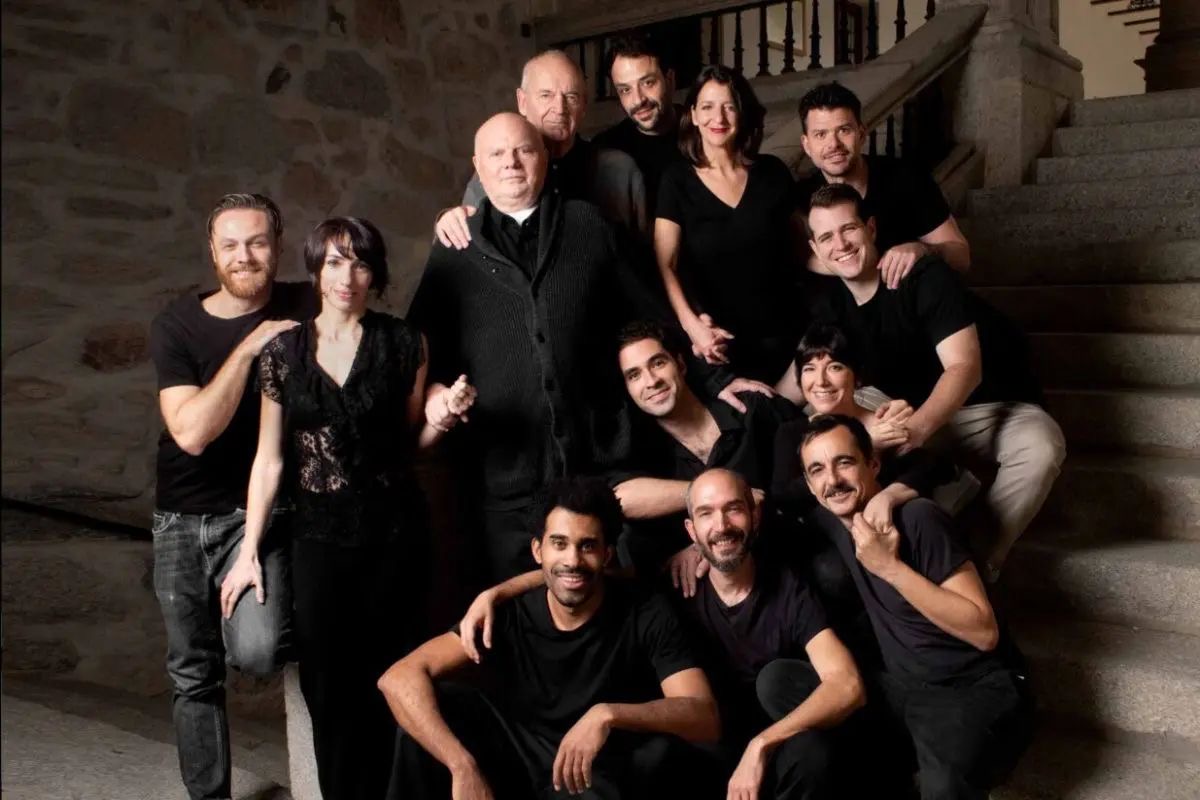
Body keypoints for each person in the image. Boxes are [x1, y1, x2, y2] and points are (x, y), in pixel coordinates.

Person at [410, 112, 767, 583]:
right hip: (505, 480)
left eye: (524, 150)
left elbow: (651, 315)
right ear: (477, 165)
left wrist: (714, 379)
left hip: (598, 464)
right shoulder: (455, 247)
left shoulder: (588, 224)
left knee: (615, 596)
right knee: (519, 607)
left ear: (544, 158)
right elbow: (418, 348)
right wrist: (435, 392)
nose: (511, 162)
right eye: (496, 154)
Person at [220, 216, 463, 800]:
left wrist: (445, 418)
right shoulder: (283, 353)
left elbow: (411, 445)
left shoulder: (406, 343)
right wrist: (248, 551)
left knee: (394, 679)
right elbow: (270, 460)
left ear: (374, 274)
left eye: (359, 264)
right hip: (318, 541)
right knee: (327, 688)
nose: (346, 277)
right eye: (334, 262)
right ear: (315, 270)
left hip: (395, 537)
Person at [379, 476, 721, 800]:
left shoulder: (644, 610)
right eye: (559, 544)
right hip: (516, 754)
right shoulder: (506, 612)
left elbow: (703, 716)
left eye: (587, 546)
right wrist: (461, 765)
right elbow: (398, 678)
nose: (572, 560)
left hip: (595, 766)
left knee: (653, 760)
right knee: (425, 722)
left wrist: (608, 714)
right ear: (538, 550)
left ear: (606, 555)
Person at [805, 184, 1065, 577]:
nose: (840, 244)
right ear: (816, 249)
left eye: (849, 229)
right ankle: (865, 559)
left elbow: (965, 369)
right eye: (827, 237)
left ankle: (974, 565)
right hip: (898, 404)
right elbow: (805, 378)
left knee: (1042, 447)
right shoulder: (830, 301)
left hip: (985, 406)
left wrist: (912, 432)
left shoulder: (922, 274)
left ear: (871, 229)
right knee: (819, 421)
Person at [148, 192, 314, 800]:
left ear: (278, 246)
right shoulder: (177, 325)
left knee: (260, 649)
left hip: (259, 515)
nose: (245, 256)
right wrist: (248, 347)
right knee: (192, 671)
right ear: (213, 253)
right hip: (181, 517)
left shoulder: (308, 303)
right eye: (231, 245)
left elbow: (377, 329)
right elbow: (191, 434)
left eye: (257, 242)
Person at [798, 415, 1034, 800]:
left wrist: (890, 568)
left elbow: (984, 631)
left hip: (973, 689)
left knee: (943, 786)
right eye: (818, 470)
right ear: (810, 485)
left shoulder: (918, 518)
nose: (833, 480)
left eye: (844, 462)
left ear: (873, 464)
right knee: (784, 682)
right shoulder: (833, 519)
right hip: (907, 690)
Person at [681, 468, 865, 800]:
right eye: (706, 514)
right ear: (691, 531)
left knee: (811, 749)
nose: (721, 526)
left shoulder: (789, 587)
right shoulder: (677, 596)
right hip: (721, 748)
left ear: (755, 515)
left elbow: (848, 685)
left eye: (734, 508)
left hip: (785, 742)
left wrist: (762, 744)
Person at [611, 320, 797, 587]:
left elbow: (816, 450)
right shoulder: (648, 459)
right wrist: (711, 521)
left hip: (794, 554)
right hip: (724, 588)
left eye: (658, 363)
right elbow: (620, 499)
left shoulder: (750, 409)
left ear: (681, 364)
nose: (651, 381)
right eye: (634, 375)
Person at [655, 64, 807, 383]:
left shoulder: (772, 172)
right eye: (707, 107)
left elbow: (805, 250)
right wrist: (692, 326)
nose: (719, 118)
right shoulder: (676, 180)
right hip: (718, 346)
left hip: (787, 338)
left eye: (729, 106)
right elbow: (666, 264)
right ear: (693, 114)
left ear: (742, 112)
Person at [436, 49, 648, 250]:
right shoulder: (502, 172)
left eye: (571, 97)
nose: (559, 109)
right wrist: (448, 221)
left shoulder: (620, 171)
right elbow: (463, 245)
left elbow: (643, 258)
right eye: (546, 95)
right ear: (522, 102)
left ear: (583, 105)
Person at [795, 82, 970, 288]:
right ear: (806, 145)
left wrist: (923, 250)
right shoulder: (800, 196)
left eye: (843, 130)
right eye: (820, 134)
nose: (833, 144)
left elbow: (962, 257)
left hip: (911, 297)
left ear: (861, 133)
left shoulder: (906, 178)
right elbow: (795, 260)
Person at [594, 33, 686, 211]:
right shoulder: (605, 150)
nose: (638, 100)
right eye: (625, 90)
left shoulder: (704, 133)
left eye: (648, 83)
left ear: (670, 80)